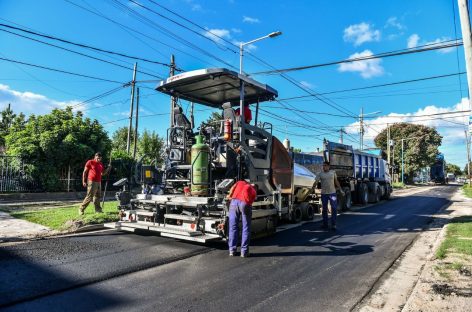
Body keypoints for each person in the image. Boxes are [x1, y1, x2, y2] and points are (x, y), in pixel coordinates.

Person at [227, 180, 257, 257]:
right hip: (244, 204)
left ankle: (232, 250)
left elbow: (232, 188)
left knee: (233, 227)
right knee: (246, 227)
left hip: (233, 202)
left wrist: (229, 196)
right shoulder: (253, 190)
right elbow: (250, 202)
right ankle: (244, 252)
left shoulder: (240, 182)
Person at [315, 161, 344, 231]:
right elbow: (315, 182)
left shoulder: (333, 173)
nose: (324, 167)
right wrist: (311, 189)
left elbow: (336, 181)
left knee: (334, 208)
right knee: (324, 209)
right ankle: (325, 224)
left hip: (332, 194)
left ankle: (333, 224)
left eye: (325, 165)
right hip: (324, 194)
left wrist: (341, 190)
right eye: (323, 165)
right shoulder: (320, 174)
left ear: (328, 166)